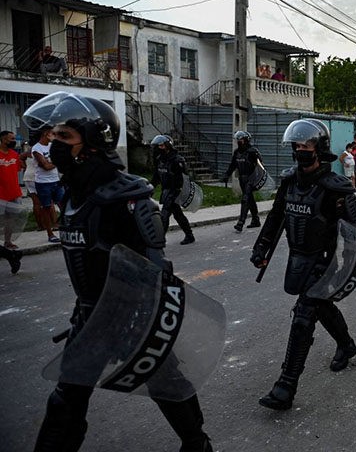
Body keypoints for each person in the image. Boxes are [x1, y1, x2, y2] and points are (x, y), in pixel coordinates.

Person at [23, 92, 213, 452]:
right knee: (65, 402)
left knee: (167, 382)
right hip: (89, 318)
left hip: (133, 318)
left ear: (93, 144)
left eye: (65, 138)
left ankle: (197, 444)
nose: (54, 145)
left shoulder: (129, 198)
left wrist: (139, 320)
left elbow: (156, 272)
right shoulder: (73, 194)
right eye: (54, 136)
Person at [250, 118, 356, 410]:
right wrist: (261, 246)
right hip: (298, 258)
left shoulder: (336, 188)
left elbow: (353, 233)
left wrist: (347, 270)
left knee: (303, 316)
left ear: (319, 148)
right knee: (321, 307)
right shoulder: (289, 182)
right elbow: (275, 218)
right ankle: (347, 345)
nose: (301, 150)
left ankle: (285, 386)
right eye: (297, 145)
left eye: (307, 145)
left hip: (325, 262)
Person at [151, 135, 195, 244]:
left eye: (161, 145)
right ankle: (190, 236)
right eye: (158, 146)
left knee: (164, 215)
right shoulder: (159, 159)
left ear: (167, 145)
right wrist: (151, 188)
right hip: (166, 191)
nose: (159, 148)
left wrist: (180, 192)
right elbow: (156, 176)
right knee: (178, 215)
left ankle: (159, 240)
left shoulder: (177, 160)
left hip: (175, 191)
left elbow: (184, 177)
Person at [222, 131, 263, 232]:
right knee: (250, 200)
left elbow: (260, 166)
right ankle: (255, 220)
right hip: (242, 179)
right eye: (237, 140)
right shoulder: (237, 153)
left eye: (240, 139)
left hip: (251, 179)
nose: (238, 141)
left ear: (246, 140)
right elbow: (233, 165)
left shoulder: (253, 151)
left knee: (245, 199)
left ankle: (241, 222)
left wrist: (258, 179)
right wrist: (227, 175)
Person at [31, 126, 64, 243]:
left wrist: (52, 163)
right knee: (46, 207)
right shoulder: (36, 148)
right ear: (46, 134)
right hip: (43, 183)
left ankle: (64, 230)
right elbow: (46, 166)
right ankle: (50, 234)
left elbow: (58, 161)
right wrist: (54, 162)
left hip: (55, 180)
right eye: (52, 134)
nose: (54, 136)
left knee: (63, 205)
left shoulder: (52, 146)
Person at [0, 130, 25, 250]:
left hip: (14, 192)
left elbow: (17, 171)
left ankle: (7, 242)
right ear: (4, 139)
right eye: (12, 139)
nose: (14, 141)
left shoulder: (14, 154)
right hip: (1, 194)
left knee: (11, 219)